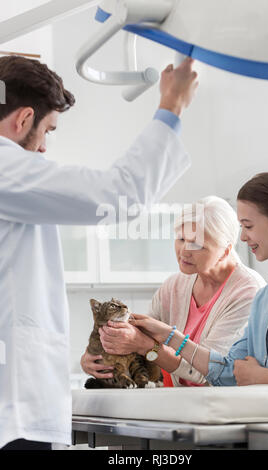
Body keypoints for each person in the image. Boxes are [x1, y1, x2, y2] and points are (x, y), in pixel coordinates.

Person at [0, 55, 198, 450]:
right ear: (23, 120)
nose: (42, 149)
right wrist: (172, 106)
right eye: (47, 131)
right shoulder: (6, 169)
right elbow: (119, 197)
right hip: (13, 407)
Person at [127, 173, 268, 387]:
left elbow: (238, 375)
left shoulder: (251, 290)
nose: (243, 237)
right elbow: (227, 371)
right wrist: (169, 336)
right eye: (181, 239)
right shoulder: (265, 298)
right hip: (267, 416)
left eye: (249, 226)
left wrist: (262, 377)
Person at [81, 196, 265, 386]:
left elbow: (211, 373)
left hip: (219, 408)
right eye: (181, 239)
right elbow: (136, 340)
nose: (184, 251)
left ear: (225, 251)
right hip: (176, 403)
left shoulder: (248, 293)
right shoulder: (174, 285)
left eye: (197, 244)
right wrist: (94, 356)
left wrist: (146, 346)